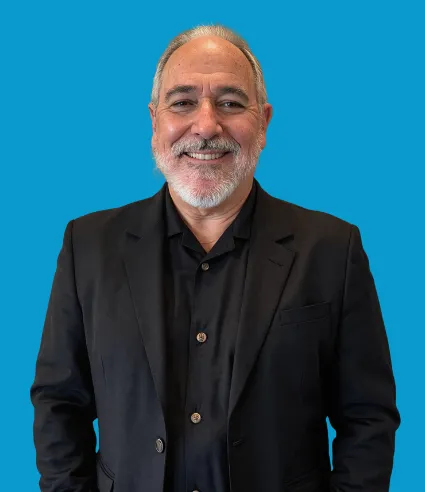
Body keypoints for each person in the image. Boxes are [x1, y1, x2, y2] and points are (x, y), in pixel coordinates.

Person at [30, 24, 401, 492]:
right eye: (183, 102)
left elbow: (367, 418)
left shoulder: (332, 249)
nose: (206, 126)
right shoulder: (88, 246)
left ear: (263, 123)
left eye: (230, 103)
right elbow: (59, 403)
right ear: (155, 121)